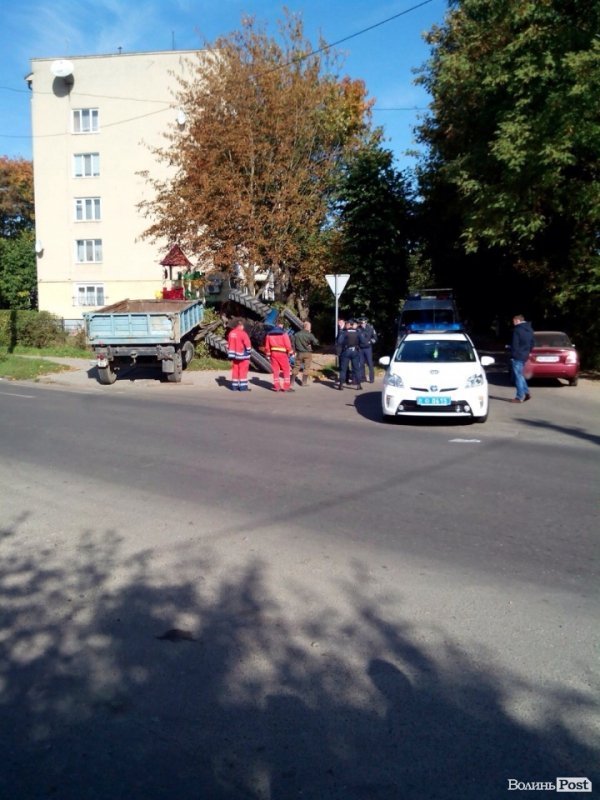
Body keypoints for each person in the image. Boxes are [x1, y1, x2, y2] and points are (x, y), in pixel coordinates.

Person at [509, 314, 535, 402]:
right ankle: (527, 392)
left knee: (518, 377)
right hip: (525, 355)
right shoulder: (530, 329)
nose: (513, 323)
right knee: (520, 375)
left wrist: (513, 355)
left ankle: (519, 397)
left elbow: (514, 344)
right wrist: (527, 352)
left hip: (517, 356)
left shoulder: (517, 330)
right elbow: (532, 344)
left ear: (517, 321)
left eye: (513, 321)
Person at [264, 319, 295, 392]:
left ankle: (276, 387)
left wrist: (268, 354)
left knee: (275, 370)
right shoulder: (284, 333)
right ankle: (286, 387)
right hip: (282, 354)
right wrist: (291, 352)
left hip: (273, 354)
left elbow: (267, 346)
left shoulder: (269, 334)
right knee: (286, 370)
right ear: (281, 325)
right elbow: (288, 345)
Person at [226, 318, 252, 391]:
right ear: (241, 325)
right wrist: (249, 352)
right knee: (243, 371)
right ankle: (243, 387)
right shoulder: (243, 333)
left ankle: (234, 387)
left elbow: (229, 344)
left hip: (234, 356)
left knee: (235, 371)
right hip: (243, 356)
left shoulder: (231, 333)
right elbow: (248, 344)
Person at [337, 319, 363, 390]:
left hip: (346, 351)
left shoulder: (344, 332)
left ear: (349, 325)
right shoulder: (358, 332)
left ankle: (341, 385)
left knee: (343, 369)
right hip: (355, 351)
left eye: (346, 324)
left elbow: (339, 341)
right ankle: (359, 385)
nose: (346, 325)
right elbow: (363, 341)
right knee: (356, 368)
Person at [291, 321, 319, 386]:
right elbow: (316, 342)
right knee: (306, 367)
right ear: (308, 327)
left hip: (299, 353)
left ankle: (292, 382)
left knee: (296, 366)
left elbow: (293, 344)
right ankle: (304, 382)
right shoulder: (309, 335)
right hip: (307, 353)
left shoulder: (296, 334)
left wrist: (294, 351)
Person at [358, 316, 377, 383]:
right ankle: (363, 378)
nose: (362, 324)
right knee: (361, 364)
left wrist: (370, 342)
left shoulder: (371, 328)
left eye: (363, 322)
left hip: (368, 349)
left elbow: (375, 338)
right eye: (361, 323)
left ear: (366, 322)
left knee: (370, 363)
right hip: (360, 349)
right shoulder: (358, 329)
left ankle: (371, 379)